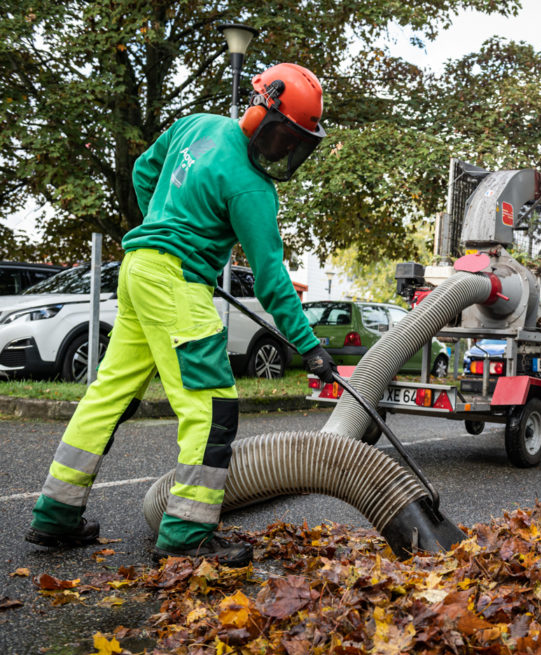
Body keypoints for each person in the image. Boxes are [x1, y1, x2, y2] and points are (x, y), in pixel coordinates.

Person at [25, 63, 337, 567]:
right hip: (175, 286)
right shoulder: (252, 190)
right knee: (212, 406)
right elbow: (273, 279)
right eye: (283, 135)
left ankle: (54, 514)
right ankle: (188, 533)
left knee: (108, 395)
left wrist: (162, 226)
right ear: (261, 109)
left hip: (137, 270)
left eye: (295, 143)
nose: (283, 150)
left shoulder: (197, 125)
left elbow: (145, 170)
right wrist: (308, 346)